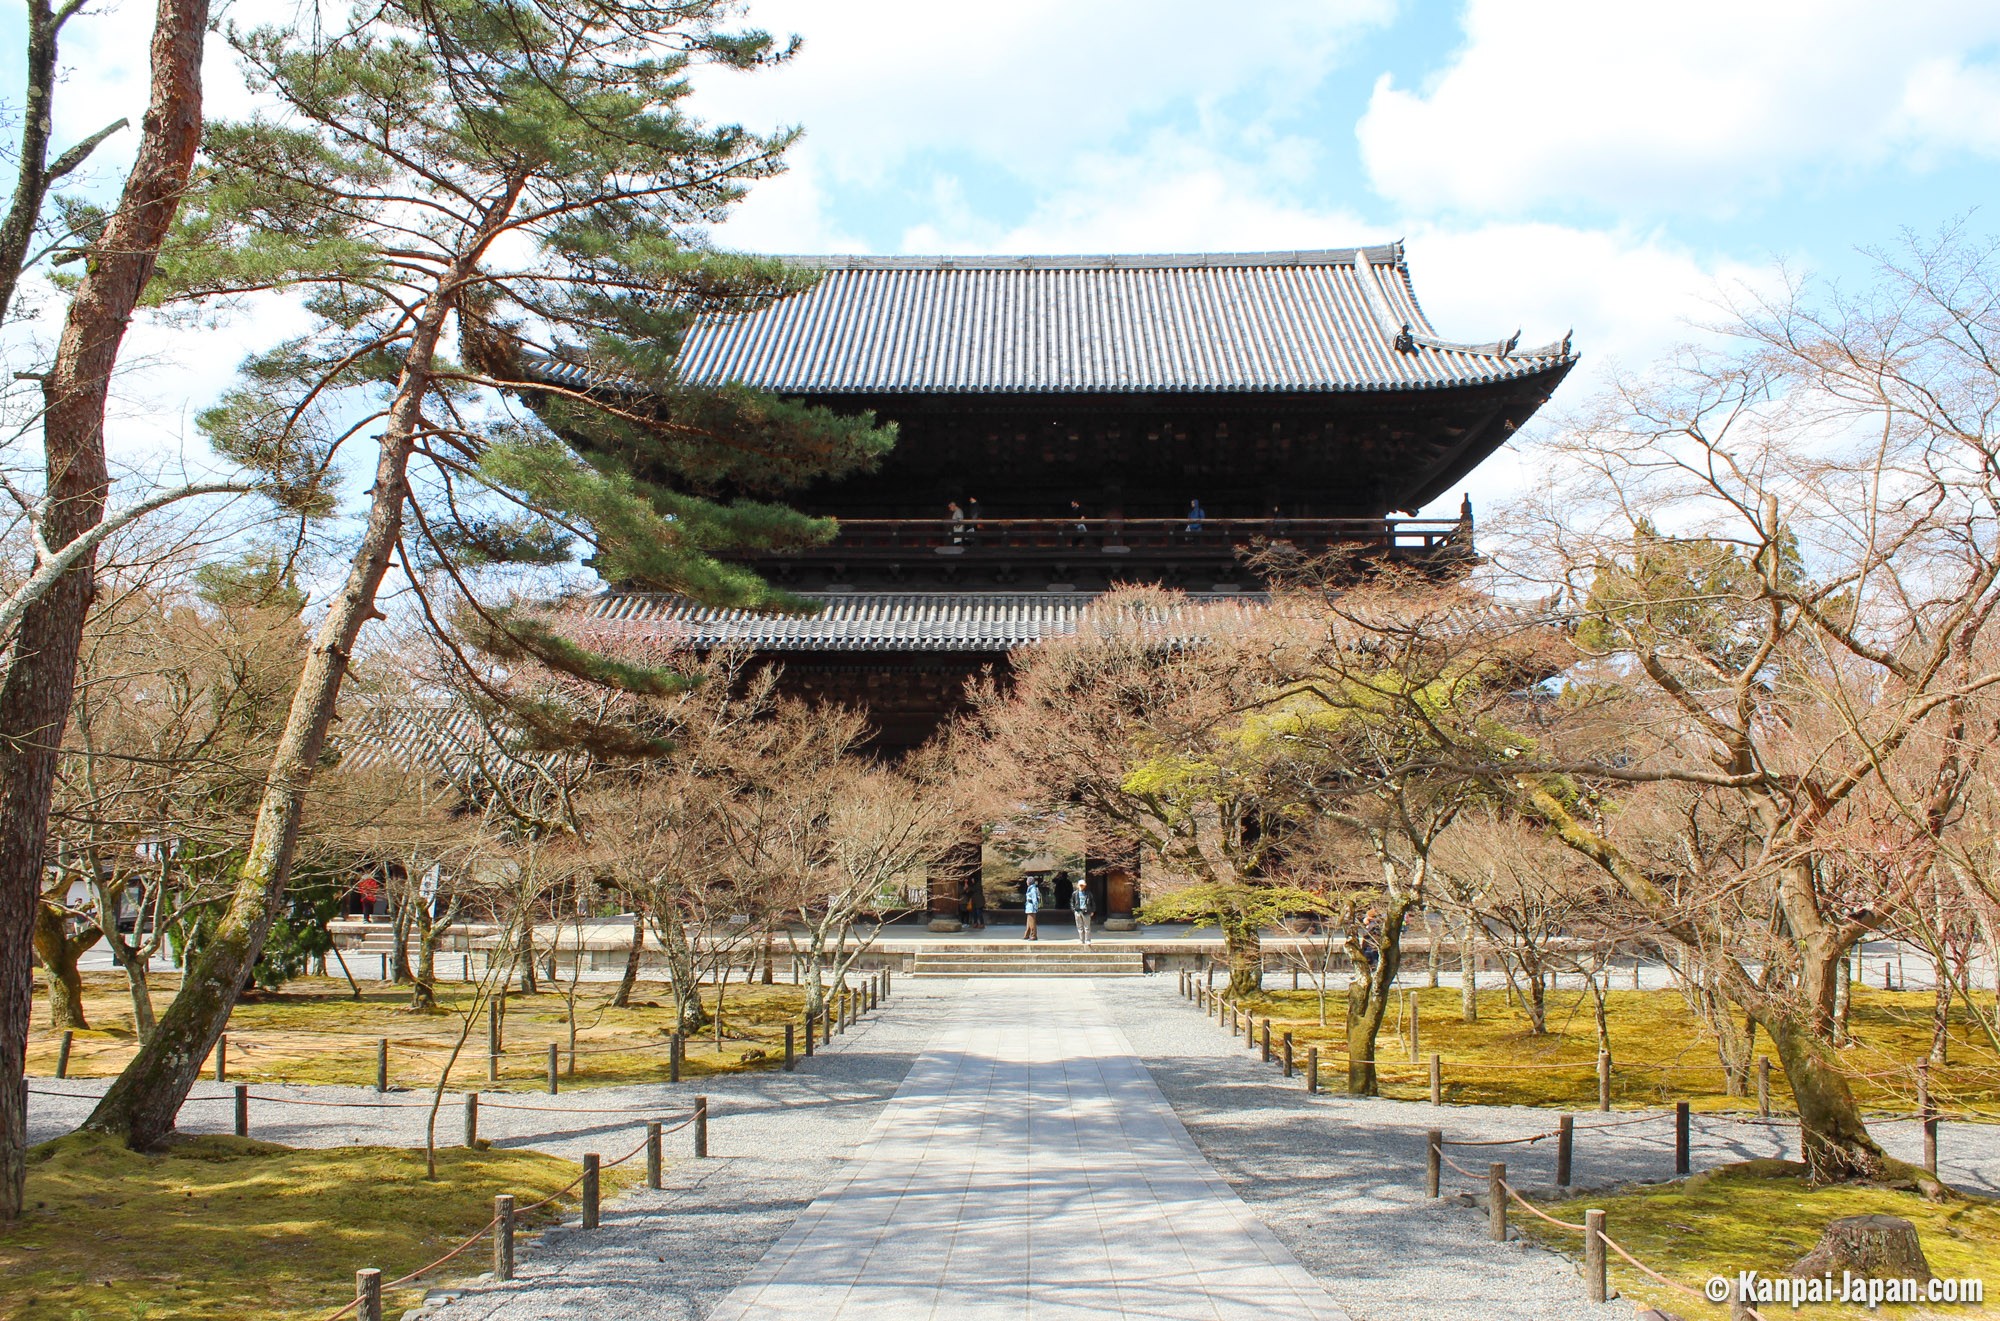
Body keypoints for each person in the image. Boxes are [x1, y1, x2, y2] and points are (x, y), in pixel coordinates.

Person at [1070, 873, 1094, 944]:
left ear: (1085, 886)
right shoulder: (1075, 893)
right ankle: (1081, 940)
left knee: (1087, 927)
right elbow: (1072, 902)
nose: (1081, 886)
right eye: (1080, 885)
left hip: (1086, 911)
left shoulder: (1088, 893)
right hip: (1078, 911)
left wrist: (1092, 910)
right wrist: (1074, 910)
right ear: (1078, 885)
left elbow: (1092, 902)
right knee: (1079, 927)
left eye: (1082, 885)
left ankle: (1088, 940)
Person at [1022, 874, 1042, 941]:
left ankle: (1034, 935)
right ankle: (1026, 935)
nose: (1026, 882)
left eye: (1027, 881)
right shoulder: (1030, 888)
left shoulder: (1033, 889)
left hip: (1031, 907)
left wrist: (1035, 907)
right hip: (1029, 906)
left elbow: (1034, 899)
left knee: (1032, 922)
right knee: (1029, 922)